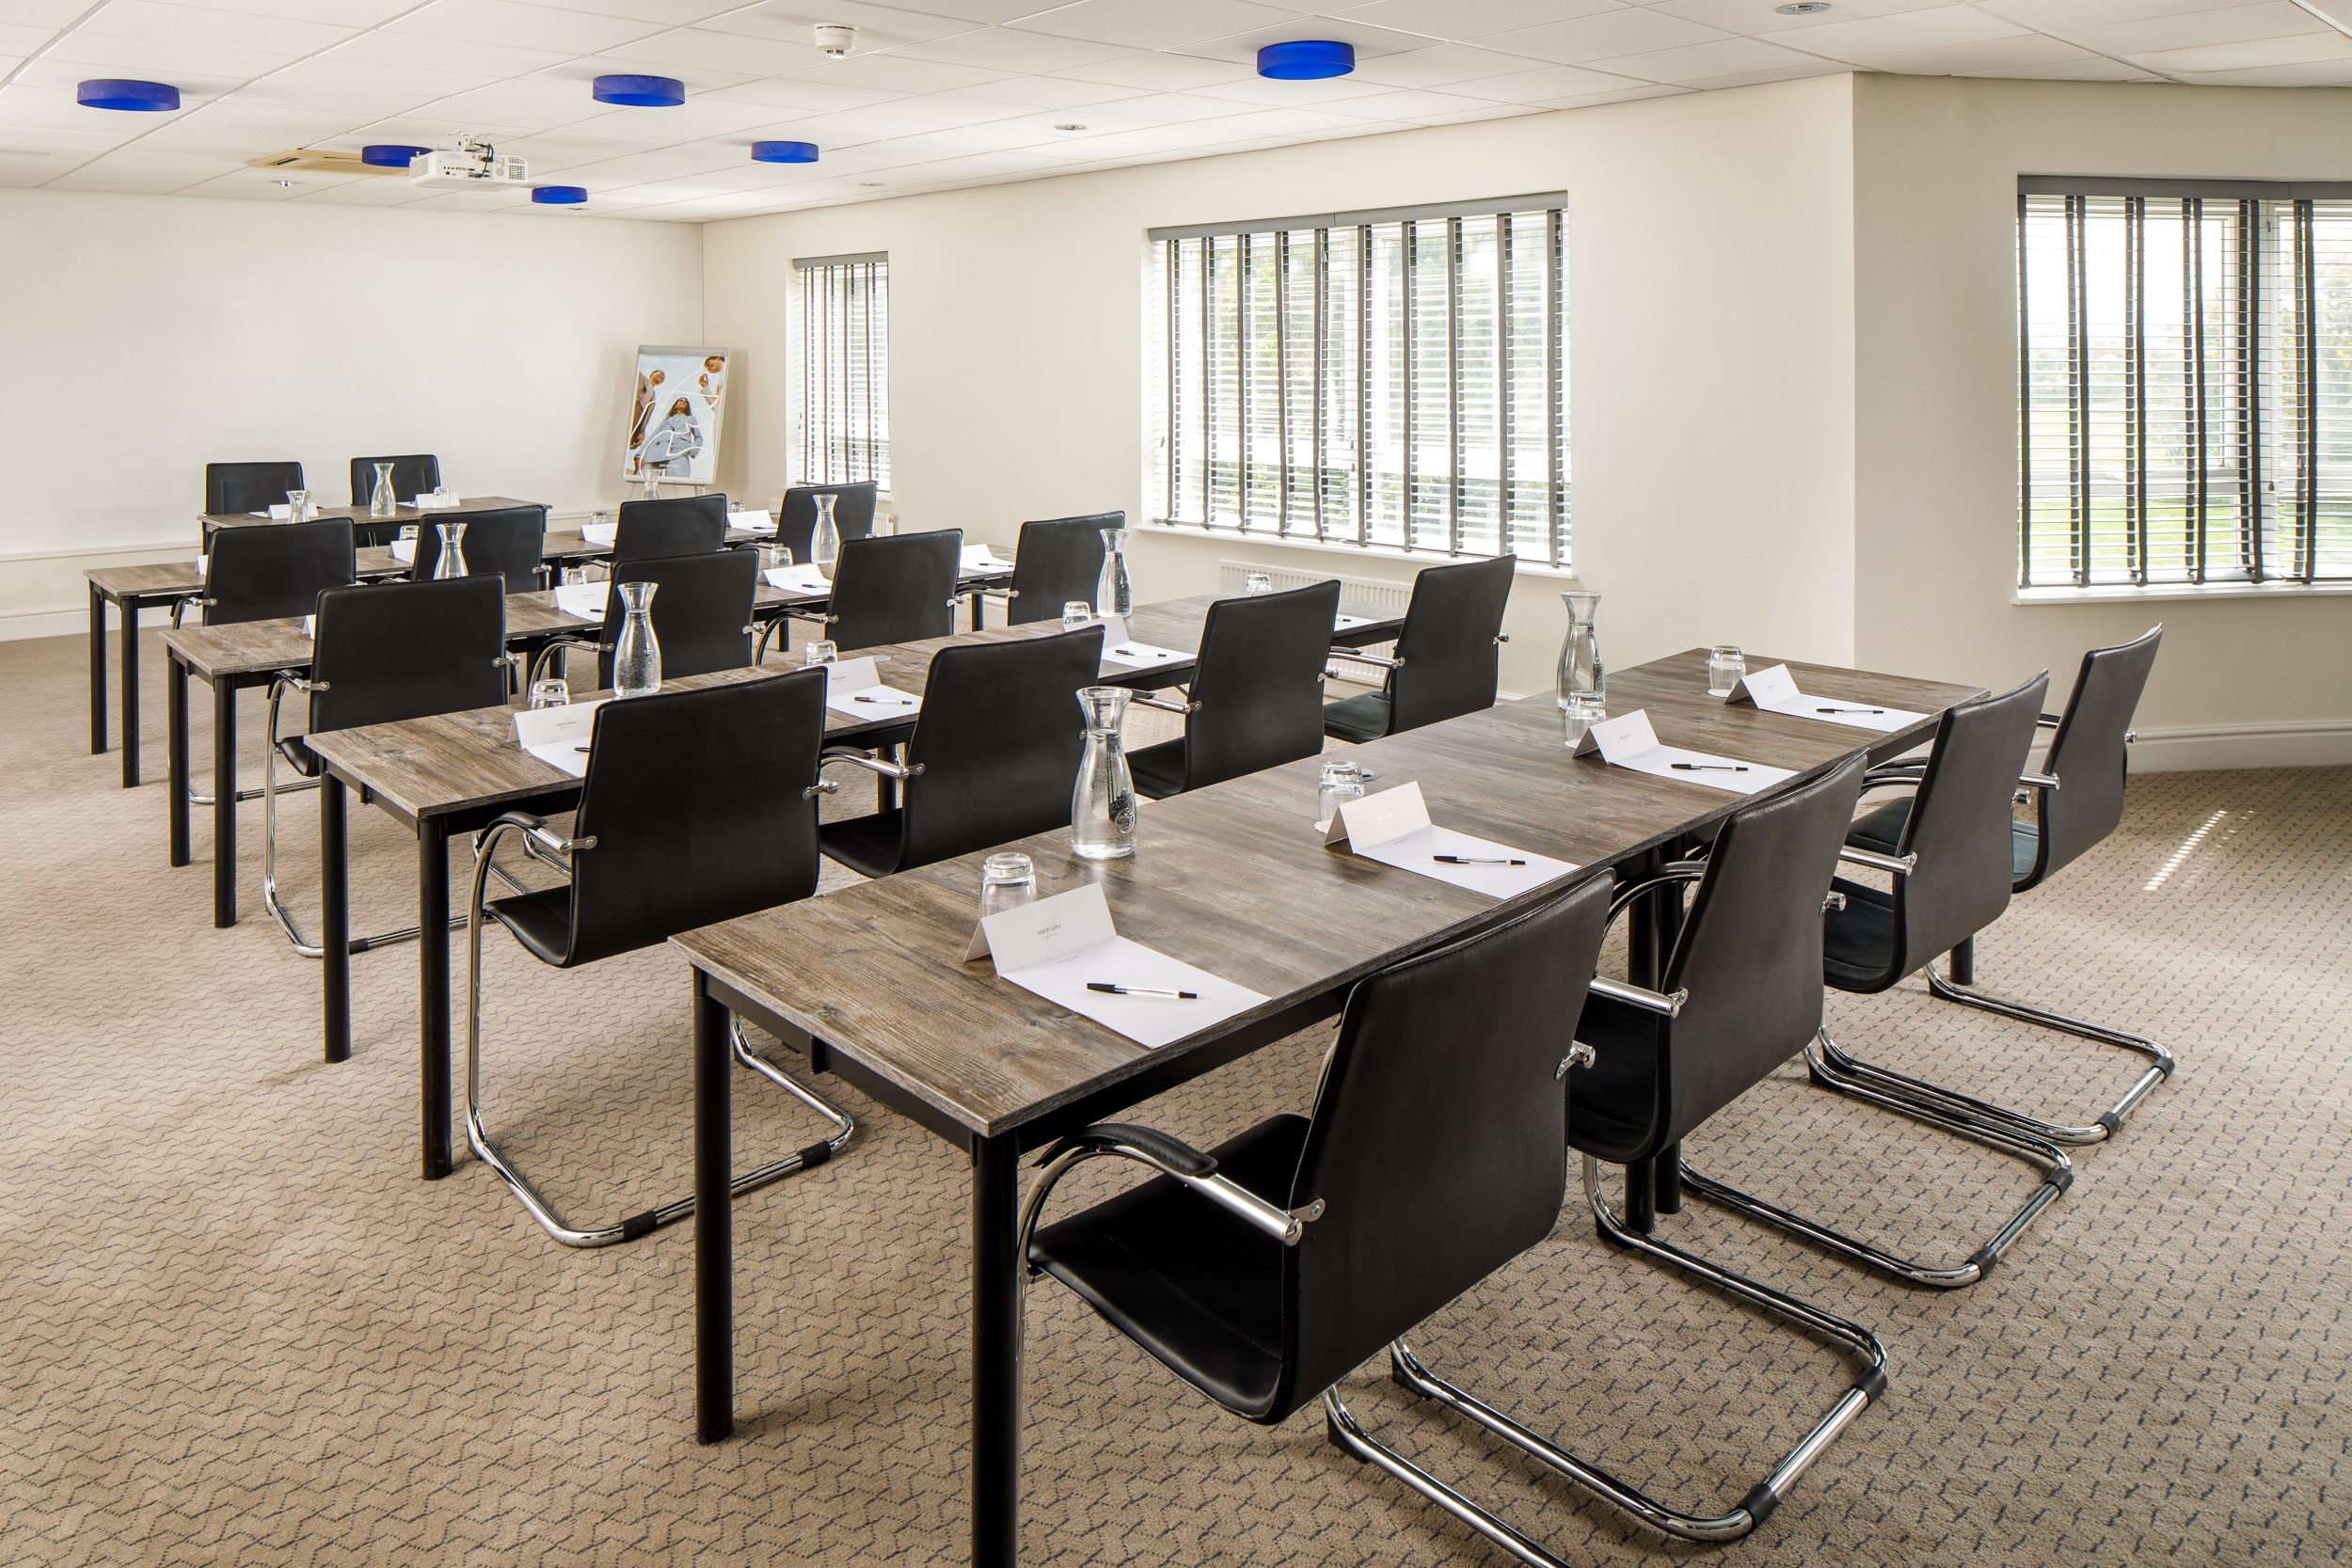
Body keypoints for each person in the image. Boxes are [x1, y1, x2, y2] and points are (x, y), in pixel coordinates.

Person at [641, 397, 703, 476]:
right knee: (647, 482)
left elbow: (698, 437)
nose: (683, 402)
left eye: (686, 402)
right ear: (675, 406)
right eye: (681, 400)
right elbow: (654, 436)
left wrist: (691, 449)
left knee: (675, 483)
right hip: (655, 452)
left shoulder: (691, 419)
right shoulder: (667, 420)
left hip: (679, 451)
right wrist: (641, 455)